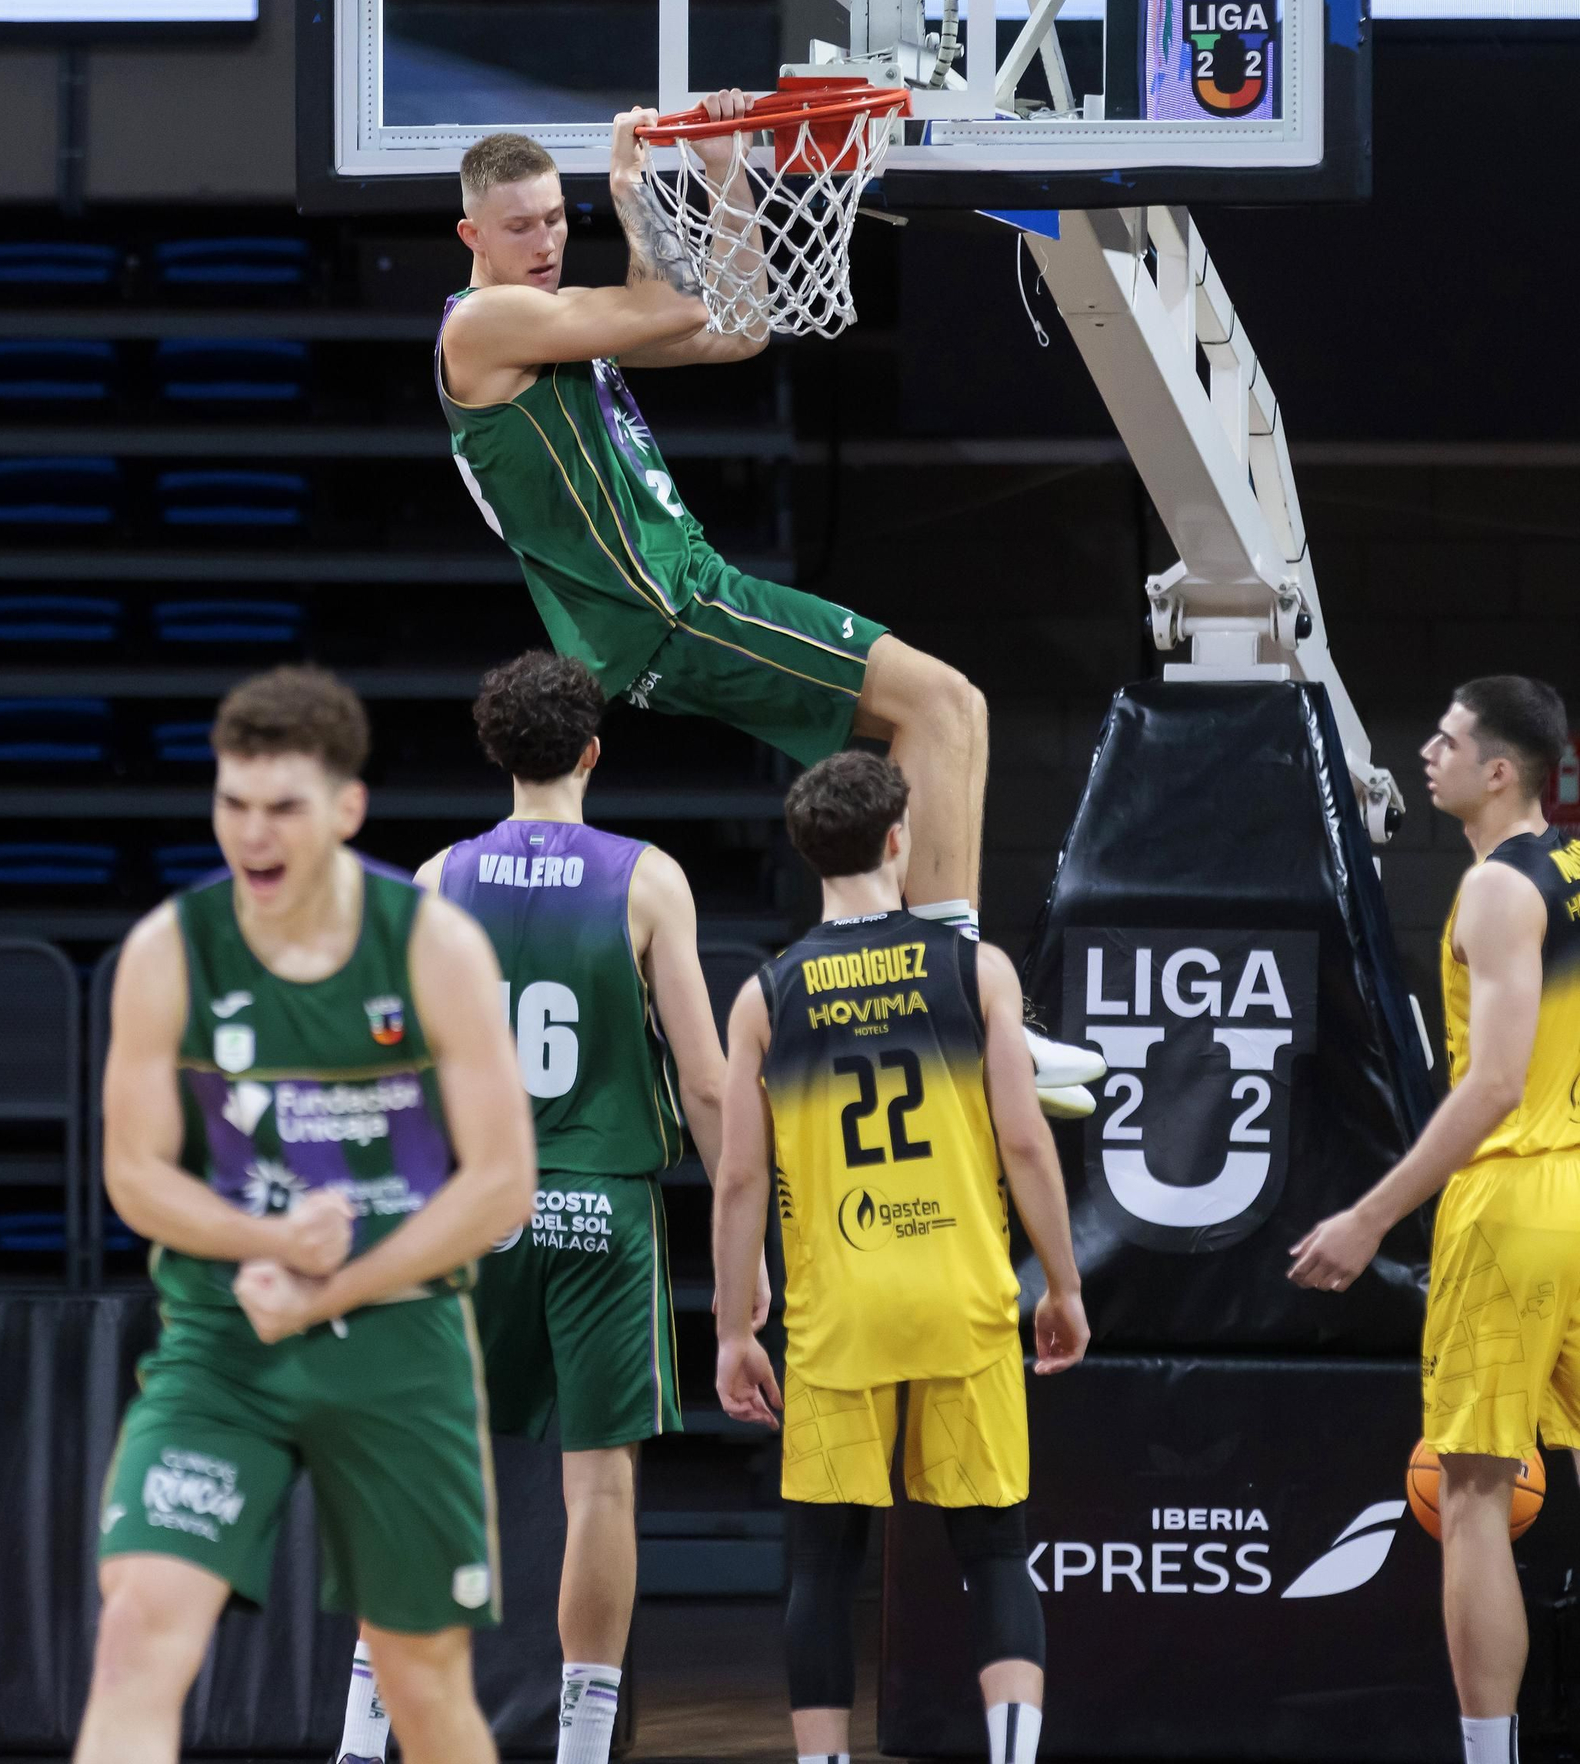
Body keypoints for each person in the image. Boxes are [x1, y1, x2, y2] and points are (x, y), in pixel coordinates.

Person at [434, 110, 1104, 1117]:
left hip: (686, 593)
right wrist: (636, 194)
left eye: (554, 219)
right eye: (519, 226)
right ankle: (963, 1011)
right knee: (944, 704)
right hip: (666, 609)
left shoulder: (559, 319)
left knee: (938, 715)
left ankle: (945, 1002)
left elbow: (737, 328)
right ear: (472, 236)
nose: (545, 240)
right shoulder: (483, 324)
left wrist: (727, 177)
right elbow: (670, 299)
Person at [77, 667, 535, 1764]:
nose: (253, 833)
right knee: (137, 1632)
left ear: (346, 807)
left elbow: (499, 1183)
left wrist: (332, 1284)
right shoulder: (170, 950)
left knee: (422, 1683)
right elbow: (133, 1173)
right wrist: (269, 1242)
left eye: (282, 806)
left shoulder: (431, 944)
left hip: (398, 1342)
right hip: (225, 1341)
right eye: (232, 802)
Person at [335, 650, 767, 1764]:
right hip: (600, 1210)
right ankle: (580, 1746)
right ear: (591, 752)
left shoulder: (437, 878)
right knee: (600, 1489)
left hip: (472, 1207)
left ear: (499, 754)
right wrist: (746, 1246)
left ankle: (362, 1734)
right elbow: (708, 1082)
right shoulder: (648, 880)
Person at [712, 750, 1090, 1764]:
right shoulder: (976, 970)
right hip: (962, 1300)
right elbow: (1025, 1142)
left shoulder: (765, 995)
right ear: (897, 840)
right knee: (995, 1552)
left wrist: (733, 1328)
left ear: (807, 853)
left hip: (837, 1315)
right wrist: (1061, 1282)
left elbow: (740, 1181)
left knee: (823, 1567)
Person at [1290, 675, 1577, 1764]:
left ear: (1499, 771)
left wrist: (1370, 1216)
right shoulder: (1575, 869)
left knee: (1471, 1496)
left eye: (1448, 741)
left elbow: (1494, 1084)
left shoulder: (1496, 891)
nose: (1426, 751)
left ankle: (1487, 1753)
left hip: (1511, 1206)